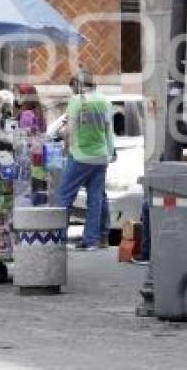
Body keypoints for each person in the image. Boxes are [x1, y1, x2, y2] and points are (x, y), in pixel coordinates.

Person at [57, 70, 115, 251]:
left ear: (79, 85)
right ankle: (91, 240)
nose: (73, 91)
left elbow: (70, 131)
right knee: (96, 199)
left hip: (81, 156)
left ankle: (58, 238)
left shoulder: (76, 102)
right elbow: (108, 130)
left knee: (65, 196)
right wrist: (110, 152)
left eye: (73, 87)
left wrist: (67, 150)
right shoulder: (105, 101)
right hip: (100, 156)